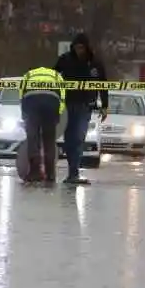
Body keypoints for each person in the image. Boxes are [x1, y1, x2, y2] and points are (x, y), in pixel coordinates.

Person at [54, 33, 107, 186]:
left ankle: (74, 172)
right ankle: (72, 171)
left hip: (86, 105)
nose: (79, 51)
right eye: (77, 48)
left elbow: (104, 85)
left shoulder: (95, 63)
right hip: (67, 104)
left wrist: (104, 105)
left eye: (81, 48)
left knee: (78, 138)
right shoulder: (65, 60)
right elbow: (53, 75)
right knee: (69, 140)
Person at [19, 62, 65, 185]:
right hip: (51, 104)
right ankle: (50, 174)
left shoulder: (28, 75)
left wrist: (24, 114)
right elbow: (62, 96)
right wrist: (58, 114)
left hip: (31, 103)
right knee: (49, 139)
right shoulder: (55, 75)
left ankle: (35, 172)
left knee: (33, 138)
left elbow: (21, 94)